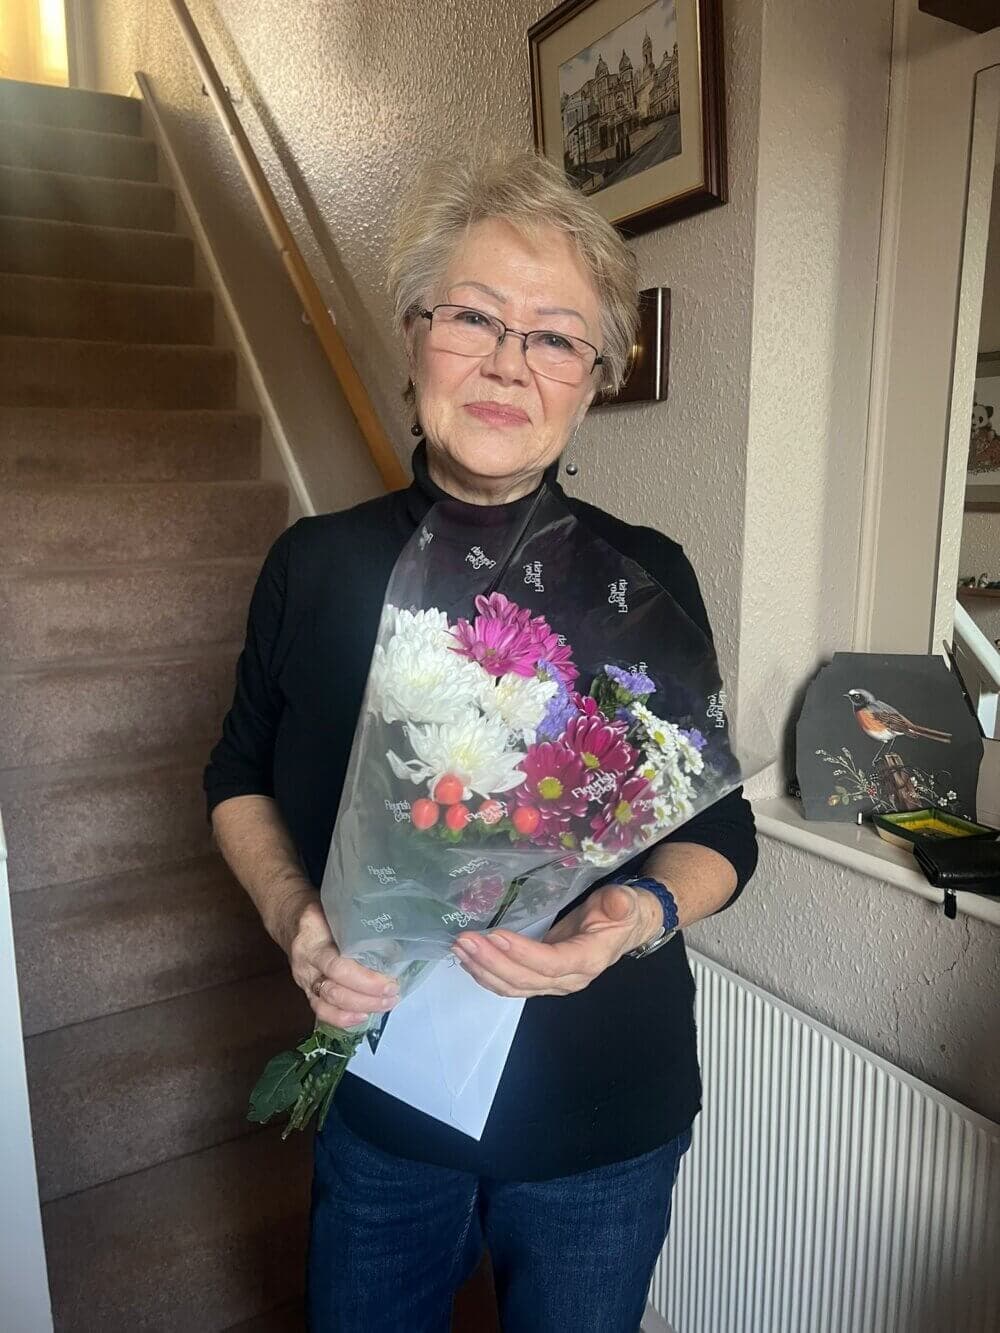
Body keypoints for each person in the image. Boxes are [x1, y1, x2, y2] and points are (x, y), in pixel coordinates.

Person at [203, 150, 758, 1333]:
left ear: (593, 380)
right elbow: (237, 772)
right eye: (473, 316)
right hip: (385, 1100)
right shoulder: (316, 566)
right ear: (412, 341)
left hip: (601, 1117)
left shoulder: (643, 579)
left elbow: (719, 828)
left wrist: (628, 920)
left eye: (557, 336)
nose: (511, 361)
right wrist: (296, 918)